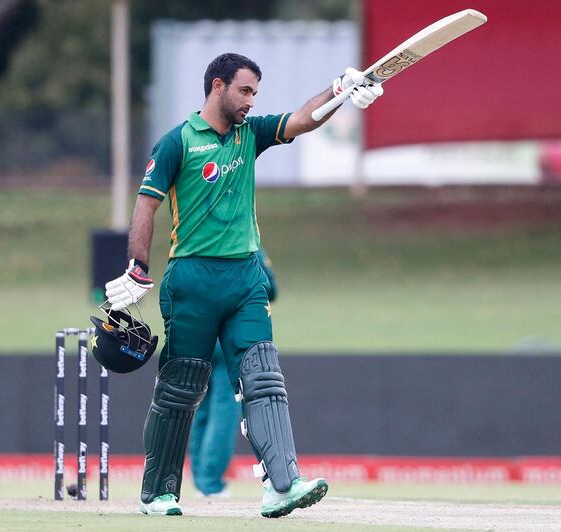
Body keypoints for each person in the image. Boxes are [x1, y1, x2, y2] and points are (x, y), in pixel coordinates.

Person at [104, 52, 383, 519]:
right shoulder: (177, 143)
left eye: (255, 93)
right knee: (180, 389)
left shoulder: (248, 135)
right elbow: (145, 207)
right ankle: (158, 493)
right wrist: (136, 267)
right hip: (191, 279)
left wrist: (340, 92)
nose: (252, 102)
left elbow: (299, 120)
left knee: (263, 378)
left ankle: (281, 484)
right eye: (245, 91)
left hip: (245, 278)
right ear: (218, 86)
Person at [189, 248, 277, 498]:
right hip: (226, 338)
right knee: (224, 410)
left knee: (200, 409)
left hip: (195, 335)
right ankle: (210, 484)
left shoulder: (194, 242)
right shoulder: (246, 244)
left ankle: (201, 480)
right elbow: (270, 288)